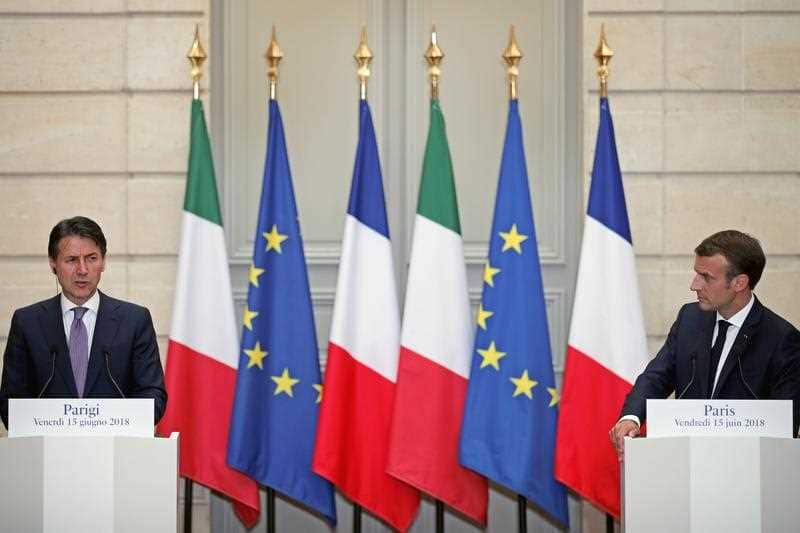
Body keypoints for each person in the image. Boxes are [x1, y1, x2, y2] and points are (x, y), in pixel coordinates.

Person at [611, 230, 800, 458]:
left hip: (745, 471)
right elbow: (656, 376)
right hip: (685, 464)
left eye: (707, 277)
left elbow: (785, 426)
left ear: (739, 282)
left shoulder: (782, 339)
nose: (694, 285)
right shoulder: (690, 318)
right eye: (696, 274)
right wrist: (631, 417)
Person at [0, 216, 167, 428]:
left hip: (116, 453)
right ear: (53, 263)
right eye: (71, 260)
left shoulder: (134, 320)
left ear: (104, 261)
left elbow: (153, 395)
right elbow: (11, 403)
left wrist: (111, 423)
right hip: (48, 455)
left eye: (91, 258)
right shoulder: (27, 322)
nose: (82, 270)